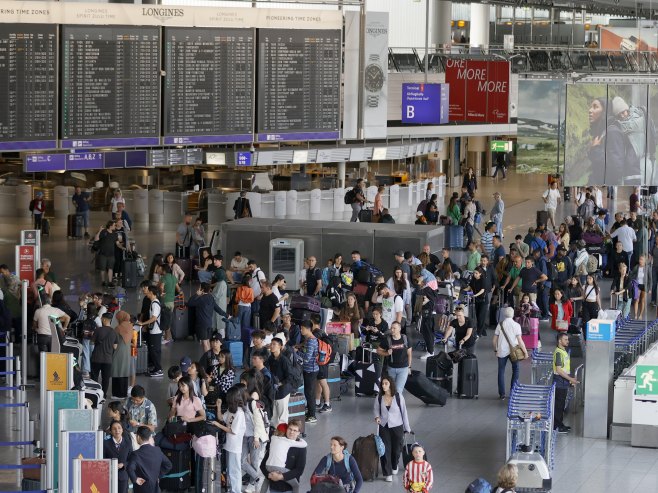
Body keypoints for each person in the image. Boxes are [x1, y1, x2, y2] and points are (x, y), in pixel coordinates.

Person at [374, 375, 411, 482]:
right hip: (384, 426)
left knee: (396, 449)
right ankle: (387, 473)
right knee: (385, 450)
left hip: (397, 426)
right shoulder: (379, 397)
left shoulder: (399, 397)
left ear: (390, 384)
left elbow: (404, 413)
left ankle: (394, 465)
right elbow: (376, 409)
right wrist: (377, 417)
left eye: (386, 383)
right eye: (382, 384)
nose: (384, 386)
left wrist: (407, 428)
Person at [212, 386, 246, 493]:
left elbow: (233, 430)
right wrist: (218, 406)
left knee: (235, 470)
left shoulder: (239, 413)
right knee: (230, 470)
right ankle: (232, 489)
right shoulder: (231, 410)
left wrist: (218, 425)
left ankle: (236, 490)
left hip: (235, 447)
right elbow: (222, 418)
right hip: (229, 445)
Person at [260, 420, 307, 493]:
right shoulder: (277, 443)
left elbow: (299, 470)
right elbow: (263, 465)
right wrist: (269, 475)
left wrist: (281, 477)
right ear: (286, 429)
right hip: (274, 487)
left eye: (295, 430)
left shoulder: (301, 449)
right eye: (290, 429)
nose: (291, 432)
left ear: (298, 433)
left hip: (288, 489)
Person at [493, 307, 528, 399]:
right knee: (515, 370)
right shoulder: (516, 325)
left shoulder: (500, 325)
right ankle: (513, 391)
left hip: (501, 351)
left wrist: (495, 350)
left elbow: (494, 340)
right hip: (514, 351)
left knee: (501, 371)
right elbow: (520, 341)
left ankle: (502, 394)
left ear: (504, 314)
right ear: (513, 315)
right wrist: (525, 352)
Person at [125, 426, 172, 493]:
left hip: (141, 489)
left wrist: (135, 479)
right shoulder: (157, 450)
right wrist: (158, 476)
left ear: (138, 437)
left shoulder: (135, 454)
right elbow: (168, 465)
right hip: (155, 489)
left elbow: (130, 468)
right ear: (149, 437)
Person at [188, 282, 228, 352]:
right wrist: (226, 315)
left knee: (204, 343)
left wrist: (196, 294)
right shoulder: (211, 298)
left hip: (201, 324)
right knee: (208, 342)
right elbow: (218, 309)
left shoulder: (200, 299)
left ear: (202, 289)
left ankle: (208, 360)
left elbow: (190, 303)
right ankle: (211, 358)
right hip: (209, 323)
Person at [553, 333, 579, 433]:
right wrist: (570, 379)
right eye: (565, 339)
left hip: (563, 382)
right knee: (558, 406)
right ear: (560, 341)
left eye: (567, 339)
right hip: (559, 383)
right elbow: (559, 370)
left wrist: (569, 380)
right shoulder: (559, 353)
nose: (567, 341)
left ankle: (560, 424)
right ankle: (557, 426)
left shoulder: (563, 351)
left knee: (561, 405)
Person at [136, 286, 163, 377]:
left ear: (151, 292)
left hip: (156, 331)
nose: (146, 293)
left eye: (147, 292)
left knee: (154, 351)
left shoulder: (155, 303)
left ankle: (158, 369)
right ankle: (156, 368)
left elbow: (154, 318)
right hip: (154, 331)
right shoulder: (153, 302)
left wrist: (143, 323)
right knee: (155, 350)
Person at [376, 322, 411, 392]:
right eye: (391, 328)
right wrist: (386, 353)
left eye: (394, 328)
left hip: (403, 368)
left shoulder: (405, 339)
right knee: (391, 389)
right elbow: (378, 351)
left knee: (398, 390)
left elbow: (409, 353)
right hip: (391, 368)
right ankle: (392, 402)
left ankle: (398, 402)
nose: (392, 330)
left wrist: (409, 367)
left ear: (399, 329)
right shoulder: (387, 340)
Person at [298, 321, 319, 423]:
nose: (301, 330)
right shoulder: (309, 340)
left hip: (311, 370)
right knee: (308, 392)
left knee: (309, 393)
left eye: (302, 329)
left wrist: (297, 353)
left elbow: (306, 358)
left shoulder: (311, 341)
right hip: (309, 369)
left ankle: (312, 416)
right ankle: (310, 412)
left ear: (308, 329)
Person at [104, 420, 133, 493]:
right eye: (114, 429)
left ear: (122, 429)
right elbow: (103, 459)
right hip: (109, 476)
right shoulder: (105, 443)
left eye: (119, 428)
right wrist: (111, 465)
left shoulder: (128, 443)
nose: (117, 430)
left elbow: (131, 459)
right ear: (110, 431)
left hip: (123, 476)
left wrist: (123, 464)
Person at [94, 221, 125, 288]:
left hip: (111, 255)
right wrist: (99, 231)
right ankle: (103, 281)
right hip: (103, 254)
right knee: (103, 269)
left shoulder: (114, 234)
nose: (115, 226)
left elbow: (117, 243)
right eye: (114, 225)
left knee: (110, 268)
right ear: (110, 226)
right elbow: (96, 239)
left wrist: (122, 247)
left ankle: (110, 282)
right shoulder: (104, 232)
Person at [112, 310, 133, 399]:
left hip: (119, 351)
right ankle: (123, 393)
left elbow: (114, 342)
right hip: (127, 351)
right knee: (124, 371)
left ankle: (117, 394)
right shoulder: (130, 326)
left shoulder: (118, 328)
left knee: (116, 370)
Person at [630, 254, 652, 319]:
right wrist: (632, 280)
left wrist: (650, 288)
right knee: (636, 299)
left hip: (644, 285)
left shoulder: (647, 268)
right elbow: (631, 274)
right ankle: (636, 314)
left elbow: (650, 279)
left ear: (645, 261)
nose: (640, 261)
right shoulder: (636, 267)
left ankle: (641, 314)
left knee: (642, 300)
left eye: (642, 259)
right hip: (637, 285)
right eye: (640, 259)